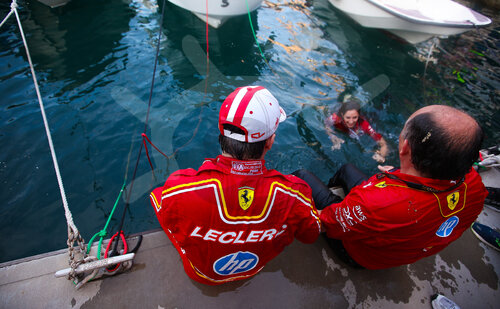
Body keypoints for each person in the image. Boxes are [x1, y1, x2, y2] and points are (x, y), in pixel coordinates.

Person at [150, 86, 321, 285]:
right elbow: (311, 234)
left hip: (201, 274)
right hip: (254, 269)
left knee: (158, 195)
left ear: (221, 134)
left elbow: (166, 214)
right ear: (270, 142)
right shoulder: (295, 194)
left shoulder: (181, 187)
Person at [296, 105, 488, 269]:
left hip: (359, 255)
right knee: (347, 169)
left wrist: (348, 212)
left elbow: (325, 224)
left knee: (302, 176)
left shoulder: (376, 203)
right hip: (402, 247)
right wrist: (400, 172)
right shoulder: (475, 186)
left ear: (405, 148)